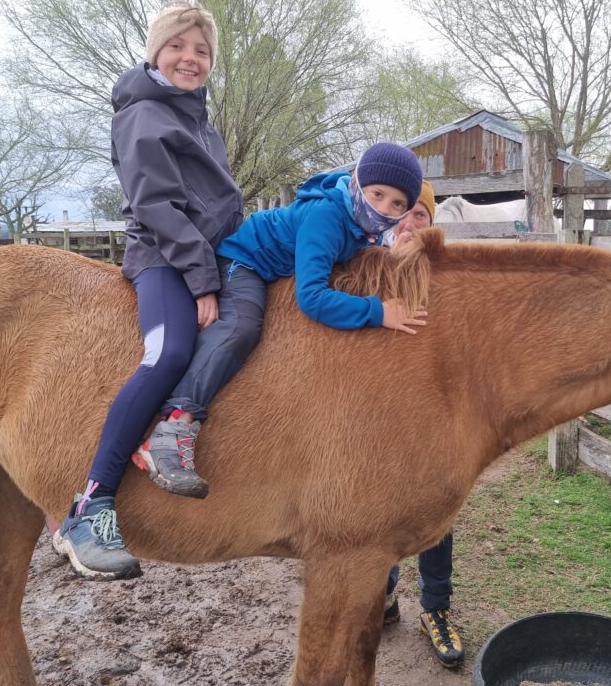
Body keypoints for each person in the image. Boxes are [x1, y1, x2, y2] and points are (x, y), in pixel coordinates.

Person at [57, 0, 242, 580]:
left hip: (204, 254)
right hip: (163, 257)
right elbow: (158, 206)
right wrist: (202, 280)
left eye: (202, 51)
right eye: (177, 46)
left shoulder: (198, 121)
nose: (190, 58)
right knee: (168, 352)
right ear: (155, 52)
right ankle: (91, 507)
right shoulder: (142, 115)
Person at [131, 142, 430, 498]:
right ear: (357, 182)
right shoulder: (327, 216)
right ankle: (171, 428)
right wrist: (377, 311)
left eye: (397, 204)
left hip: (277, 269)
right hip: (244, 262)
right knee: (241, 327)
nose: (383, 208)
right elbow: (312, 298)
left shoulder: (366, 224)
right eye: (377, 194)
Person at [382, 182, 464, 669]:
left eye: (420, 215)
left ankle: (436, 608)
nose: (409, 223)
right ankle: (385, 593)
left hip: (433, 417)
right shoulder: (364, 267)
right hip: (378, 416)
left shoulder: (446, 277)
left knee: (437, 517)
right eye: (402, 212)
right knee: (379, 510)